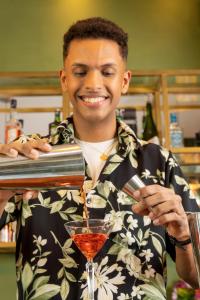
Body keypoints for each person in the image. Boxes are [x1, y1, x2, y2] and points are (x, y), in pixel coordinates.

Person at [0, 17, 199, 300]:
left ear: (125, 81)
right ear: (64, 79)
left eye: (107, 72)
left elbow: (195, 277)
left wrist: (183, 237)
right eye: (80, 72)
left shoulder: (160, 162)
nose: (93, 84)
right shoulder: (28, 156)